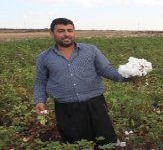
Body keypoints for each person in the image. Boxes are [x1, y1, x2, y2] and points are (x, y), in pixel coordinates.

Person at [33, 18, 130, 146]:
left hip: (95, 104)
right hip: (65, 108)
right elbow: (40, 81)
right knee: (76, 143)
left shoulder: (90, 50)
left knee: (106, 140)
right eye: (61, 31)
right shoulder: (44, 57)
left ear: (74, 32)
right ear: (52, 33)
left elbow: (106, 69)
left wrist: (126, 76)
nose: (66, 34)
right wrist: (40, 101)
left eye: (70, 30)